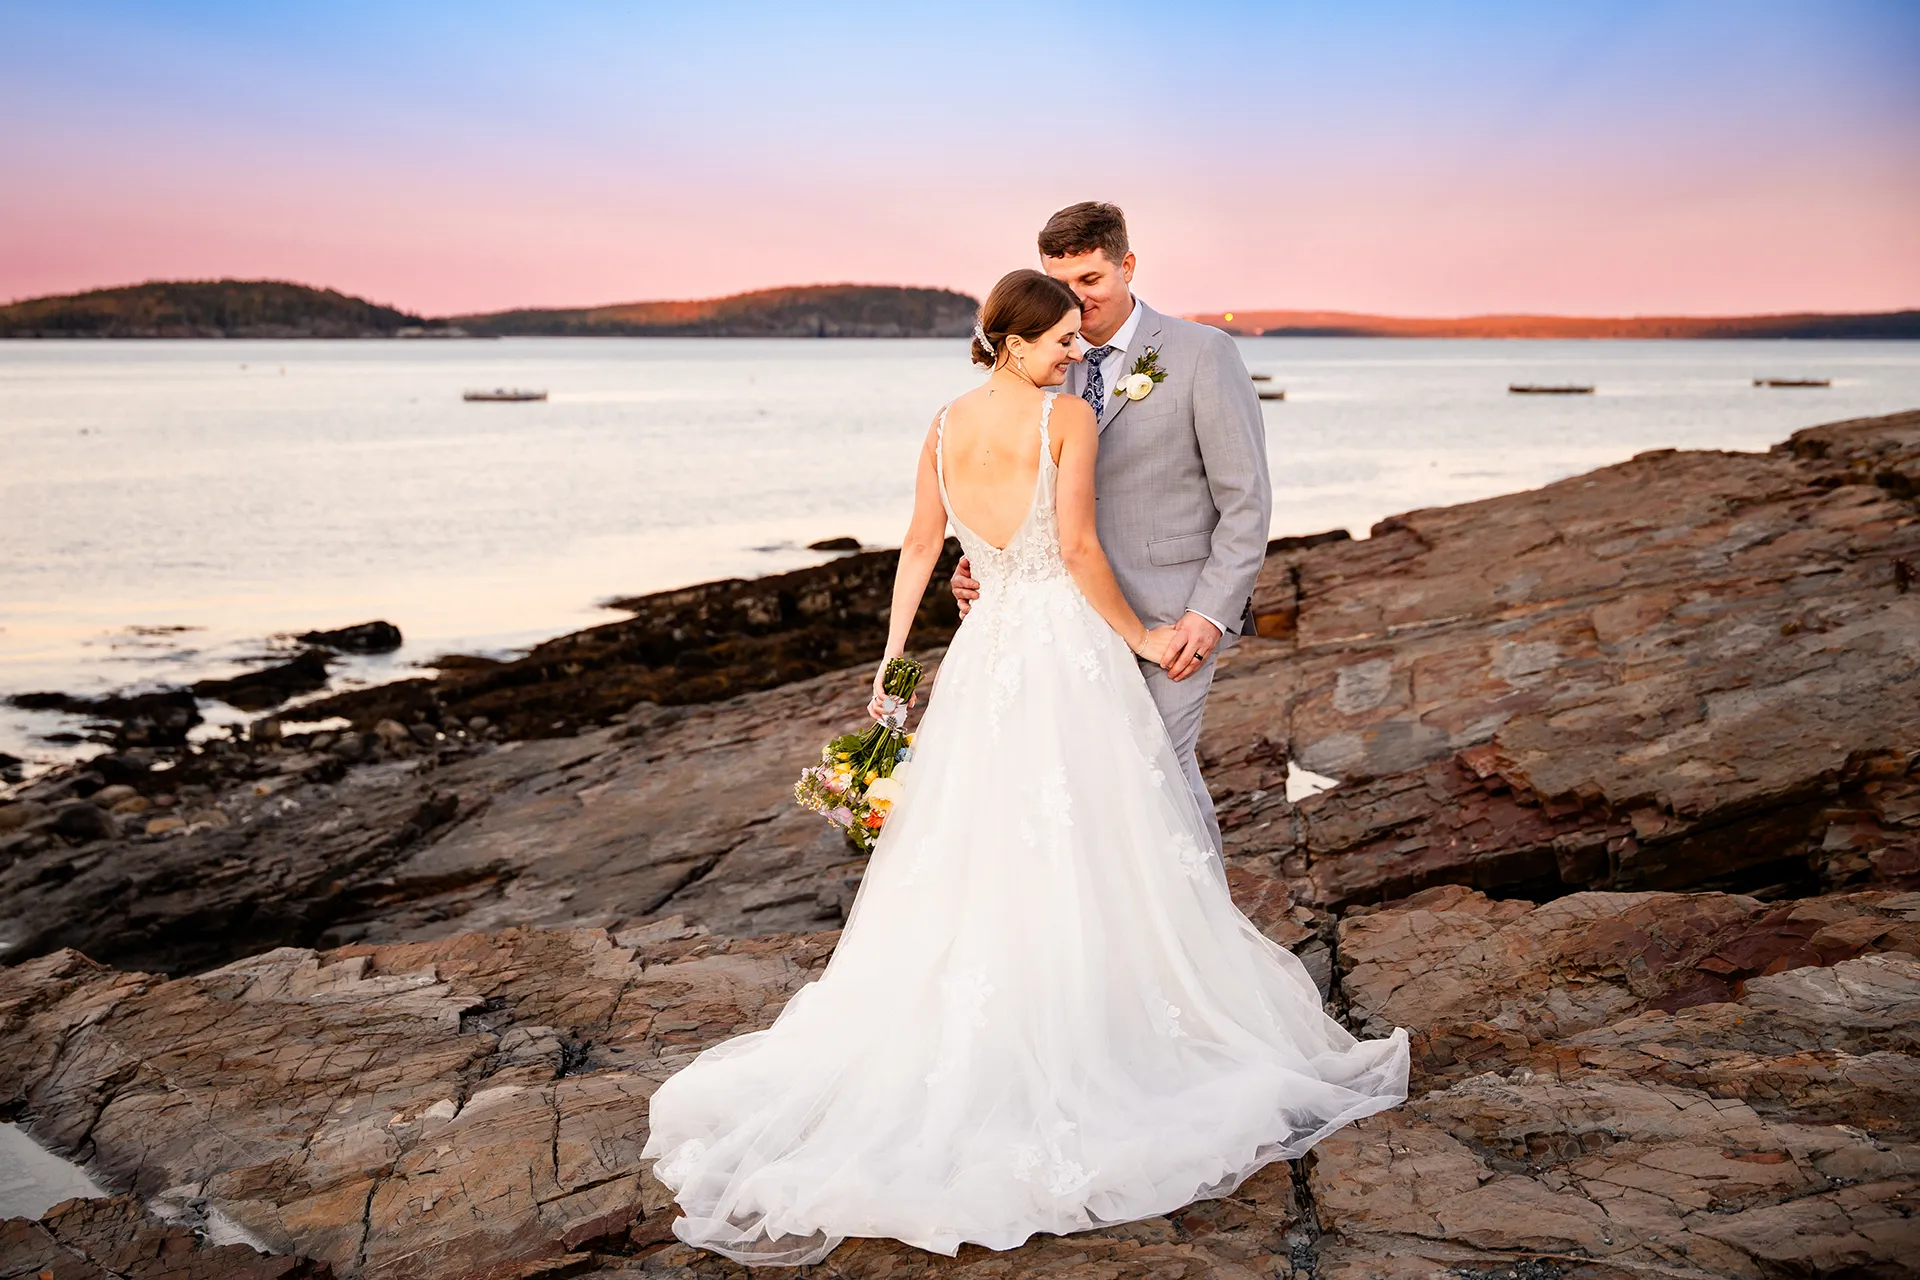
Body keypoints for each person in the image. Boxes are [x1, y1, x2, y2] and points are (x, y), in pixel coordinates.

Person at [640, 268, 1410, 1267]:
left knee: (982, 846)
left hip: (985, 655)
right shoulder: (1065, 422)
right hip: (1064, 653)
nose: (1074, 355)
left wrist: (891, 668)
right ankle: (1092, 1025)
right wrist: (1141, 630)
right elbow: (1082, 549)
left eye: (1076, 342)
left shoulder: (943, 423)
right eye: (1058, 342)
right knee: (1096, 836)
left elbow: (919, 549)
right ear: (1010, 340)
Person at [952, 201, 1270, 857]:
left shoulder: (1202, 353)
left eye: (1091, 281)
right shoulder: (1040, 368)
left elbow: (1246, 502)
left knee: (1162, 777)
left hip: (1172, 616)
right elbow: (1019, 487)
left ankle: (1203, 942)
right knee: (1094, 791)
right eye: (1060, 284)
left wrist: (1209, 614)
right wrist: (988, 560)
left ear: (1127, 265)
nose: (1076, 301)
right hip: (1066, 624)